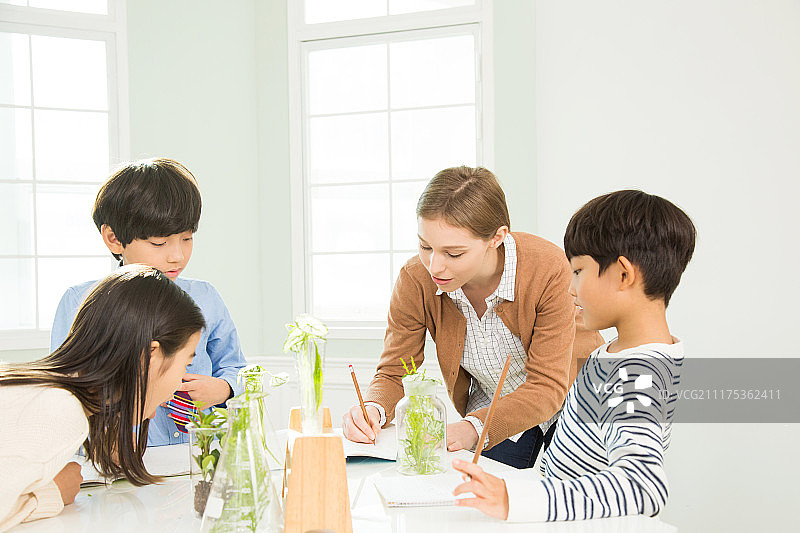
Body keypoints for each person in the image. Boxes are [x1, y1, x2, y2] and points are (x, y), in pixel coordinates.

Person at [451, 190, 696, 521]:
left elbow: (644, 486)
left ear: (623, 274)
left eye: (578, 272)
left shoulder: (636, 372)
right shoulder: (622, 354)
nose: (570, 288)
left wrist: (514, 500)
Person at [342, 166, 604, 468]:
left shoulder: (547, 267)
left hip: (577, 395)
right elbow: (395, 370)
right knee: (485, 500)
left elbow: (547, 385)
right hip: (496, 406)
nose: (435, 267)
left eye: (453, 254)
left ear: (497, 237)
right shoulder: (415, 279)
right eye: (425, 246)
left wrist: (471, 428)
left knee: (578, 501)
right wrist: (373, 408)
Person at [50, 158, 247, 446]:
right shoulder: (82, 302)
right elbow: (65, 389)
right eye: (159, 243)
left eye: (187, 239)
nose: (177, 255)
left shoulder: (205, 298)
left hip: (199, 452)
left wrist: (224, 388)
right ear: (114, 239)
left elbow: (236, 366)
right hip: (121, 459)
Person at [0, 265, 206, 530]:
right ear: (149, 355)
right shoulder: (58, 410)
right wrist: (53, 492)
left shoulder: (48, 394)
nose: (180, 382)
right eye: (186, 364)